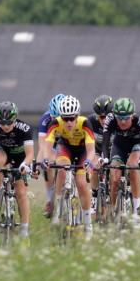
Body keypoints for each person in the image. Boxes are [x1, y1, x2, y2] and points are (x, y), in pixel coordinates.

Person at [0, 101, 35, 237]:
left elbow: (30, 154)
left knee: (21, 192)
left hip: (20, 157)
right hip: (3, 152)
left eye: (9, 123)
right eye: (2, 123)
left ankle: (24, 228)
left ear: (15, 119)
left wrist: (25, 164)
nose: (5, 126)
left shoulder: (25, 128)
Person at [44, 95, 98, 233]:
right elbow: (48, 146)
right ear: (60, 117)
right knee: (62, 169)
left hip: (82, 152)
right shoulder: (55, 123)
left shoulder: (85, 123)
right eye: (65, 118)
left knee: (81, 184)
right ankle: (58, 207)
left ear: (77, 116)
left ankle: (87, 225)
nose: (68, 122)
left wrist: (88, 161)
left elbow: (91, 150)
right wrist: (46, 159)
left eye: (72, 118)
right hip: (66, 149)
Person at [101, 97, 140, 217]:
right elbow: (105, 142)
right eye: (120, 118)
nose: (122, 122)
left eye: (126, 118)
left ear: (132, 116)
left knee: (132, 167)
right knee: (115, 177)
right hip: (119, 145)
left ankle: (136, 209)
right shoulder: (110, 119)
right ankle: (111, 209)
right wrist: (105, 158)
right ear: (114, 115)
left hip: (136, 146)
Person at [37, 93, 65, 218]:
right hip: (51, 142)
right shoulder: (45, 119)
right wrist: (43, 161)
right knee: (46, 164)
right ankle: (49, 200)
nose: (56, 121)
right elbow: (42, 145)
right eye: (54, 117)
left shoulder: (71, 118)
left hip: (67, 141)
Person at [87, 95, 114, 209]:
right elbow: (87, 143)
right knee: (95, 168)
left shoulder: (117, 122)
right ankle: (94, 195)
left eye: (107, 117)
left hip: (113, 150)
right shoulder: (91, 121)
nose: (104, 120)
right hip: (97, 149)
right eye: (101, 117)